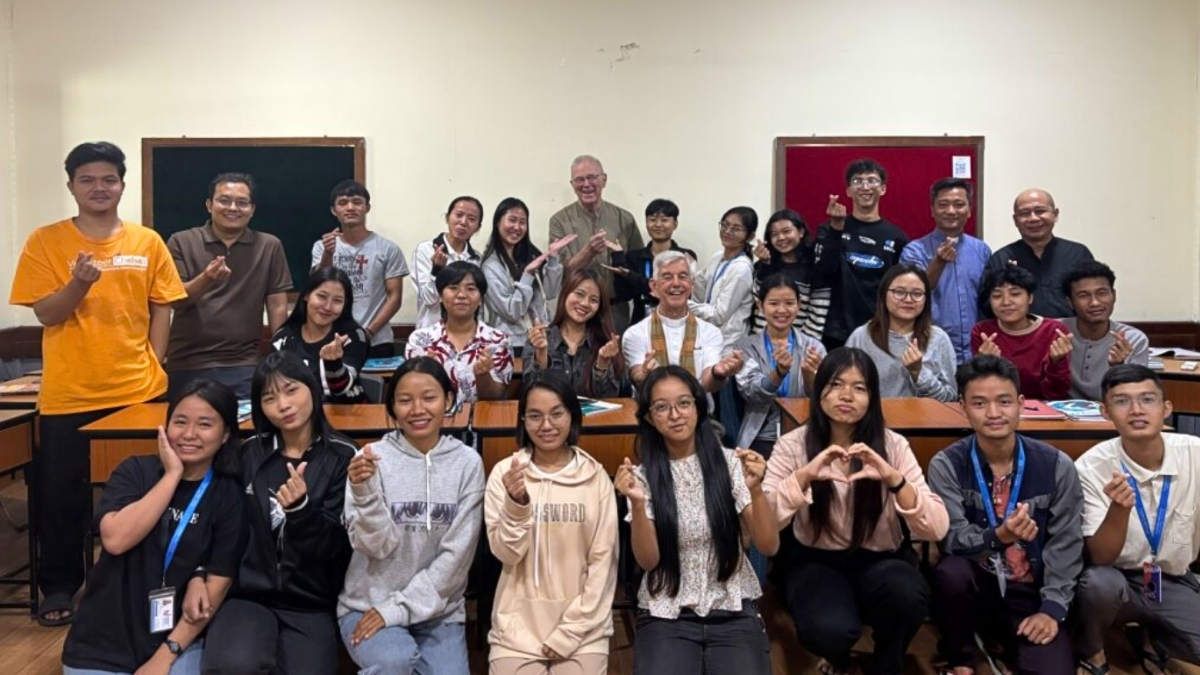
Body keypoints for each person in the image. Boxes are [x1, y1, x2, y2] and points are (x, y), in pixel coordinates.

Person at [9, 141, 187, 626]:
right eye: (87, 179)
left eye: (108, 179)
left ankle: (141, 584)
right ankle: (60, 586)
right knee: (60, 498)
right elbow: (47, 312)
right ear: (71, 186)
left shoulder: (147, 241)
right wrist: (79, 283)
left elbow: (162, 305)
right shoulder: (45, 242)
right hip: (70, 394)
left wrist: (155, 358)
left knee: (146, 493)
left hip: (139, 391)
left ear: (122, 185)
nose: (99, 188)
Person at [763, 347, 949, 675]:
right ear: (818, 391)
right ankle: (838, 656)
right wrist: (803, 477)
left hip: (881, 559)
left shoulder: (892, 445)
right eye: (835, 384)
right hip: (816, 560)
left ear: (873, 397)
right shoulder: (793, 444)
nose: (846, 395)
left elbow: (936, 529)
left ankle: (886, 661)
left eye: (859, 387)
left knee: (907, 596)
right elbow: (762, 524)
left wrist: (895, 480)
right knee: (827, 630)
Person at [61, 380, 245, 674]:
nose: (188, 434)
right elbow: (116, 539)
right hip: (100, 644)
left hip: (176, 640)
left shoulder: (228, 493)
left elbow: (217, 583)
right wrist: (172, 476)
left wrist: (166, 655)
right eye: (180, 421)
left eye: (205, 425)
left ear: (225, 435)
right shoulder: (135, 470)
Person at [199, 352, 357, 675]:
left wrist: (300, 511)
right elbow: (220, 524)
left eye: (291, 390)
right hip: (248, 596)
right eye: (269, 398)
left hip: (311, 600)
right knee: (231, 666)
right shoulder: (248, 453)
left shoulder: (343, 455)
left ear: (312, 388)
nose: (283, 405)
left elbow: (337, 547)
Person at [614, 366, 778, 674]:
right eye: (662, 407)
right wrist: (636, 504)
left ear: (699, 408)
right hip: (666, 611)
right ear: (649, 418)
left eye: (684, 403)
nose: (675, 414)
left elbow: (768, 545)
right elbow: (648, 562)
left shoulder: (730, 463)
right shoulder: (644, 476)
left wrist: (756, 491)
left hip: (731, 607)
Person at [927, 355, 1083, 675]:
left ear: (1021, 404)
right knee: (951, 572)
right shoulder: (947, 465)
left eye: (1004, 401)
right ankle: (962, 656)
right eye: (980, 403)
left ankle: (1008, 641)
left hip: (1030, 592)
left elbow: (1066, 543)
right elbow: (951, 538)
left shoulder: (1055, 465)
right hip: (977, 588)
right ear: (963, 407)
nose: (994, 413)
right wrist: (999, 536)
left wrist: (1051, 610)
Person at [338, 356, 485, 675]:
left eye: (429, 398)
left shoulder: (467, 464)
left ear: (449, 400)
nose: (417, 409)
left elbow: (455, 560)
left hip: (439, 611)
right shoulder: (370, 459)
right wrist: (363, 492)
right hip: (369, 604)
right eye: (405, 400)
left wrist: (397, 610)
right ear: (391, 407)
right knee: (395, 662)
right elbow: (374, 546)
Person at [485, 373, 619, 675]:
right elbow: (506, 554)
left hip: (584, 627)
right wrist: (517, 505)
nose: (546, 426)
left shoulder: (596, 478)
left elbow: (603, 563)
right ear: (523, 420)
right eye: (535, 416)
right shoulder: (505, 474)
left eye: (556, 414)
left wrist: (571, 631)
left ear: (572, 416)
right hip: (516, 626)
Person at [1073, 365, 1200, 675]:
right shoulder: (1090, 467)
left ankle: (1150, 636)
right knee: (1096, 586)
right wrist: (1119, 509)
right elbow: (1100, 557)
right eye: (1121, 401)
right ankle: (1094, 652)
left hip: (1170, 577)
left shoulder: (1194, 453)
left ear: (1166, 408)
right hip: (1118, 580)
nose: (1136, 410)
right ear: (1105, 412)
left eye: (1147, 399)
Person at [166, 172, 291, 400]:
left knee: (243, 431)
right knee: (191, 432)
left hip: (243, 363)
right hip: (187, 362)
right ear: (209, 204)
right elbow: (176, 300)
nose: (233, 207)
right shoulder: (180, 241)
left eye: (242, 202)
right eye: (224, 200)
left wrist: (280, 355)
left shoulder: (269, 246)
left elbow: (277, 305)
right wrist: (207, 278)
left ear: (252, 209)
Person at [810, 159, 910, 351]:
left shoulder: (897, 237)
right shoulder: (829, 228)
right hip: (835, 331)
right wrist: (836, 229)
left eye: (872, 180)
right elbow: (823, 274)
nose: (865, 186)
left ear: (883, 189)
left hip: (879, 328)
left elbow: (900, 287)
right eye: (857, 181)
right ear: (848, 191)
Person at [620, 250, 745, 392]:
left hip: (698, 410)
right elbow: (637, 377)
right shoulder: (635, 333)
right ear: (654, 287)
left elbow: (708, 384)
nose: (676, 283)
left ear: (692, 285)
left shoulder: (711, 332)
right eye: (667, 277)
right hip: (651, 410)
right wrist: (643, 374)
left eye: (683, 276)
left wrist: (718, 373)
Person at [311, 180, 409, 358]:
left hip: (377, 340)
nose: (350, 207)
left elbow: (395, 297)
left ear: (367, 207)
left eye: (357, 202)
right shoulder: (322, 246)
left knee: (375, 385)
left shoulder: (388, 248)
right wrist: (328, 253)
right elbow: (317, 286)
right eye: (343, 203)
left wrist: (367, 333)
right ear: (334, 210)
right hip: (332, 338)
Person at [547, 155, 645, 333]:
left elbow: (638, 267)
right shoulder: (559, 221)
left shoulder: (625, 219)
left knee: (616, 359)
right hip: (577, 312)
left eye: (592, 177)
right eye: (579, 179)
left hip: (616, 311)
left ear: (604, 180)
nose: (586, 184)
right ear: (572, 185)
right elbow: (558, 275)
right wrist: (588, 252)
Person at [900, 177, 992, 364]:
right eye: (943, 204)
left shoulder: (982, 250)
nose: (951, 211)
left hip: (976, 351)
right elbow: (915, 291)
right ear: (932, 210)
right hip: (930, 351)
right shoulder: (914, 250)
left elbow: (990, 298)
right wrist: (938, 261)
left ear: (969, 210)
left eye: (959, 204)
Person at [733, 274, 825, 454]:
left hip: (805, 435)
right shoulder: (744, 347)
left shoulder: (814, 347)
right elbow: (753, 393)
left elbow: (823, 399)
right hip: (760, 437)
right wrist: (779, 373)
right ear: (760, 305)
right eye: (774, 303)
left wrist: (808, 375)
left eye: (789, 303)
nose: (782, 310)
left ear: (799, 305)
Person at [405, 261, 514, 403]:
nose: (461, 295)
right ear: (440, 297)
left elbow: (496, 396)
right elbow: (413, 392)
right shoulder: (420, 340)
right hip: (435, 421)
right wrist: (428, 375)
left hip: (479, 421)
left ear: (481, 299)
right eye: (453, 287)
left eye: (470, 289)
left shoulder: (498, 340)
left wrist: (483, 376)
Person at [846, 264, 958, 402]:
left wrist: (919, 373)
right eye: (899, 292)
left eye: (917, 294)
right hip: (875, 421)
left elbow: (951, 399)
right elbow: (847, 389)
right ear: (883, 294)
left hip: (926, 421)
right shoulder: (861, 336)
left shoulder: (939, 338)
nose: (908, 299)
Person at [480, 197, 573, 354]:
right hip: (511, 344)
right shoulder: (490, 266)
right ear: (497, 222)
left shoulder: (529, 256)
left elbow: (549, 293)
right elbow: (512, 312)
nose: (517, 227)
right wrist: (527, 274)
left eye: (522, 222)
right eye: (512, 220)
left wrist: (554, 258)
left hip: (542, 339)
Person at [987, 188, 1094, 319]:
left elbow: (1091, 297)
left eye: (1040, 211)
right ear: (1015, 220)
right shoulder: (1001, 258)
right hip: (1019, 335)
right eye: (1024, 213)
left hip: (1070, 334)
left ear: (1055, 214)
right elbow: (988, 305)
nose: (1033, 218)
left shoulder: (1078, 254)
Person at [971, 266, 1073, 401]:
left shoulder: (1054, 330)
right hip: (1000, 405)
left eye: (1015, 294)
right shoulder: (983, 332)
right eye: (997, 296)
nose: (1006, 302)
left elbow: (1057, 393)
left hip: (1044, 408)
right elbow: (980, 388)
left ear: (1030, 298)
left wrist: (1057, 362)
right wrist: (985, 365)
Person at [271, 267, 368, 404]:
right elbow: (276, 387)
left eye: (337, 301)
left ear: (345, 304)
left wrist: (333, 364)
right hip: (298, 415)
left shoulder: (353, 336)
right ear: (306, 295)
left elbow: (342, 391)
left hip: (347, 414)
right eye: (321, 296)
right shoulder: (283, 338)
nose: (328, 307)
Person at [525, 269, 625, 398]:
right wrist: (541, 353)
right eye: (579, 294)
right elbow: (532, 393)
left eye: (593, 300)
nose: (585, 303)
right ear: (565, 293)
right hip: (552, 417)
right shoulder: (539, 339)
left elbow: (610, 398)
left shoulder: (605, 343)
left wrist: (602, 364)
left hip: (594, 418)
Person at [1060, 261, 1150, 401]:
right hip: (1062, 414)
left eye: (1102, 293)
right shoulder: (1056, 332)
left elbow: (1135, 395)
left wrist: (1119, 368)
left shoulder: (1133, 339)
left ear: (1113, 295)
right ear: (1070, 302)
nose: (1095, 302)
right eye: (1083, 295)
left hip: (1110, 414)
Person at [607, 198, 697, 324]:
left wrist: (631, 276)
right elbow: (623, 295)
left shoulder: (686, 256)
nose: (658, 225)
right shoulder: (634, 256)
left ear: (675, 224)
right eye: (652, 220)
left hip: (677, 323)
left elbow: (682, 292)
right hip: (640, 323)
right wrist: (619, 260)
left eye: (664, 220)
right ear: (646, 223)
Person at [411, 196, 484, 329]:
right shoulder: (425, 250)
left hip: (467, 334)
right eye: (459, 215)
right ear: (447, 217)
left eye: (472, 219)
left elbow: (478, 304)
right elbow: (429, 300)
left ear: (478, 227)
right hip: (431, 333)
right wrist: (437, 270)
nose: (463, 222)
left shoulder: (477, 259)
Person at [691, 206, 758, 351]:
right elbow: (699, 293)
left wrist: (683, 305)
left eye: (736, 228)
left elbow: (718, 315)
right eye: (725, 225)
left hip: (728, 344)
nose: (727, 231)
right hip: (707, 337)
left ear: (750, 236)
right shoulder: (717, 256)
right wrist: (688, 272)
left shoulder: (741, 269)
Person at [751, 208, 817, 338]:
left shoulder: (814, 267)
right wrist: (764, 265)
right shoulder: (763, 265)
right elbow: (758, 301)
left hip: (799, 344)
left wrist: (803, 347)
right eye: (774, 234)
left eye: (786, 231)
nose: (780, 238)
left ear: (801, 232)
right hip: (761, 342)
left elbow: (817, 315)